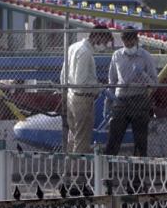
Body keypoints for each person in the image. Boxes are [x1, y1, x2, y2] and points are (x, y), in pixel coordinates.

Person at [104, 27, 157, 157]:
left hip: (139, 99)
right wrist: (109, 101)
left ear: (136, 40)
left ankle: (138, 176)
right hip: (120, 100)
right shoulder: (117, 55)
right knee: (113, 139)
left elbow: (154, 83)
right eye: (125, 42)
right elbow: (112, 80)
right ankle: (106, 174)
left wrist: (143, 75)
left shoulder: (145, 56)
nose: (128, 45)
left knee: (140, 141)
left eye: (131, 42)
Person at [60, 24, 111, 153]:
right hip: (83, 99)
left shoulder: (73, 47)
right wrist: (99, 87)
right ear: (97, 36)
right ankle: (79, 170)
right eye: (104, 42)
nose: (104, 46)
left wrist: (64, 92)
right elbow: (81, 82)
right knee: (82, 138)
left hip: (71, 95)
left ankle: (70, 168)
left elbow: (63, 74)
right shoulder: (85, 53)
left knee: (73, 136)